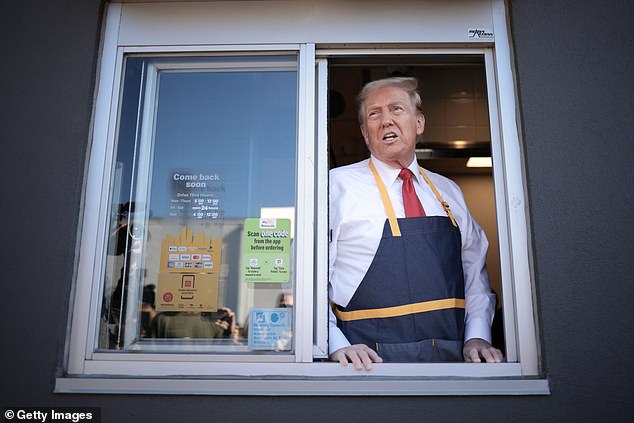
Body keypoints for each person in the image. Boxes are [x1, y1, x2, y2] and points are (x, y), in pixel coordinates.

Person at [328, 77, 503, 370]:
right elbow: (309, 277)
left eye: (396, 109)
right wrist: (334, 342)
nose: (386, 121)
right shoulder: (336, 186)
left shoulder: (449, 191)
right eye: (374, 114)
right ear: (364, 132)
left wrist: (478, 336)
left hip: (452, 366)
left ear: (418, 123)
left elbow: (474, 271)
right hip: (366, 366)